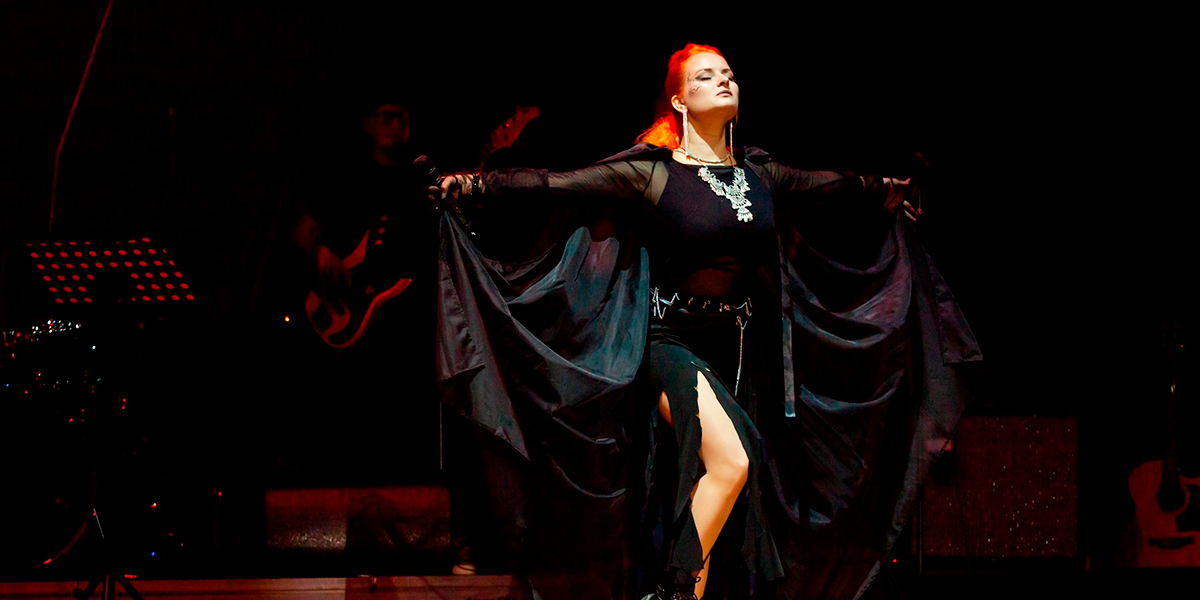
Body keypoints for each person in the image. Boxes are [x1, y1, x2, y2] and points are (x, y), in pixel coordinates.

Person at [434, 44, 979, 600]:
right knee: (732, 459)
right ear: (679, 100)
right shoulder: (653, 173)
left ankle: (686, 594)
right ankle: (671, 591)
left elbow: (833, 186)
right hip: (669, 342)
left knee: (710, 494)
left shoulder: (760, 174)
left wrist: (888, 190)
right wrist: (472, 185)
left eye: (729, 74)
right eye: (705, 76)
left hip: (739, 350)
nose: (723, 81)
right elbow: (557, 183)